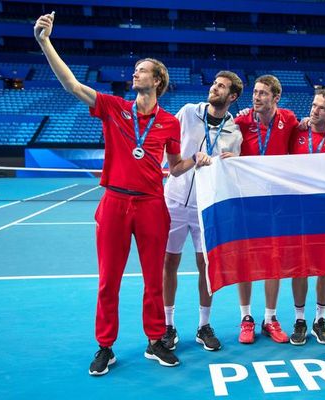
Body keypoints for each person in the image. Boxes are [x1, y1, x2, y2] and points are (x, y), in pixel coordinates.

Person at [34, 13, 211, 376]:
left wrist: (196, 159)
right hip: (114, 202)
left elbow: (174, 166)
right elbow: (72, 85)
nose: (135, 73)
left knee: (153, 280)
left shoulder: (169, 123)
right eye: (135, 69)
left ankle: (155, 339)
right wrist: (44, 41)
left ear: (157, 80)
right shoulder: (114, 108)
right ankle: (105, 347)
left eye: (142, 69)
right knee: (108, 281)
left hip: (151, 205)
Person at [162, 71, 244, 352]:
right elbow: (169, 144)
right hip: (173, 200)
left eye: (221, 87)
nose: (214, 88)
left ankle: (203, 326)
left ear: (232, 96)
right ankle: (168, 325)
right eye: (214, 84)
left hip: (206, 207)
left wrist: (235, 163)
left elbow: (232, 175)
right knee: (169, 263)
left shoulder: (234, 133)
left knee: (206, 268)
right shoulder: (187, 113)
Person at [234, 75, 299, 344]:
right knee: (246, 261)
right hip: (246, 203)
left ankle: (270, 318)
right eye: (255, 92)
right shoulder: (240, 122)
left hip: (277, 205)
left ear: (276, 98)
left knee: (274, 262)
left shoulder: (290, 120)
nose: (256, 97)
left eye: (263, 93)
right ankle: (246, 318)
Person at [287, 88, 325, 346]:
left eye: (322, 108)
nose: (314, 110)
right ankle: (300, 320)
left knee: (324, 268)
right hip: (298, 212)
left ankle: (320, 319)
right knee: (299, 267)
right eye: (313, 105)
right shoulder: (296, 133)